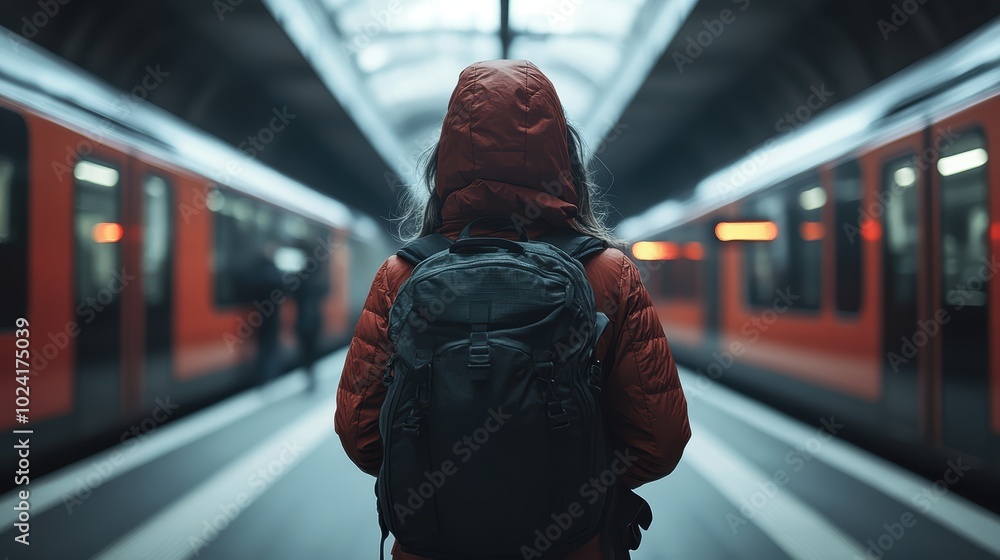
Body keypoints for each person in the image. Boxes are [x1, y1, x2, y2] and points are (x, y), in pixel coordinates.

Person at [335, 60, 691, 559]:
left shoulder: (402, 275)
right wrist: (571, 478)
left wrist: (446, 480)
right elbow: (658, 441)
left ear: (443, 161)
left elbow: (362, 437)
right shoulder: (609, 274)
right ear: (565, 159)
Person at [293, 238, 330, 391]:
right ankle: (311, 376)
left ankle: (308, 374)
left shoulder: (299, 280)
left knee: (304, 350)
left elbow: (293, 293)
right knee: (312, 349)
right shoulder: (319, 280)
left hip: (302, 319)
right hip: (314, 319)